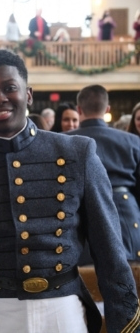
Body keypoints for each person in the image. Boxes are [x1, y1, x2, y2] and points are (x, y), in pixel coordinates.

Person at [0, 49, 140, 332]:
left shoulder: (77, 153)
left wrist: (125, 324)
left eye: (9, 88)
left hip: (63, 309)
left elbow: (109, 250)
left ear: (28, 94)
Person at [67, 85, 140, 263]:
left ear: (79, 109)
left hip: (77, 216)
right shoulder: (132, 141)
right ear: (107, 109)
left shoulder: (62, 141)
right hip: (124, 214)